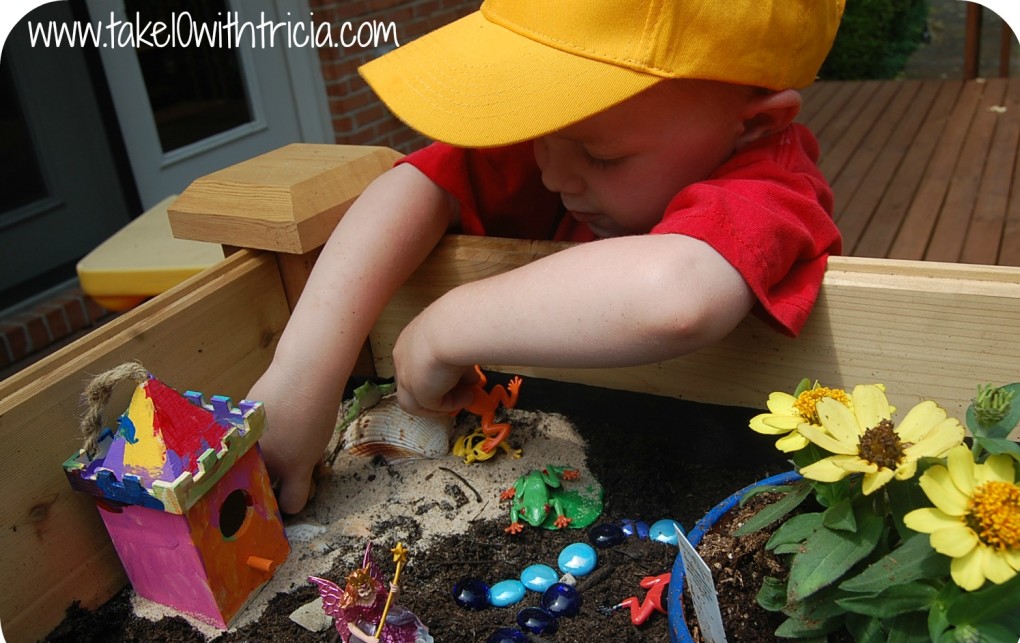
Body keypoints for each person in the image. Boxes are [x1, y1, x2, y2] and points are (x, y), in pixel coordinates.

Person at [251, 0, 847, 514]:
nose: (550, 170)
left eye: (601, 157)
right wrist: (304, 373)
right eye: (540, 125)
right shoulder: (577, 139)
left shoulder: (771, 189)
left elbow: (678, 296)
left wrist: (445, 325)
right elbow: (414, 185)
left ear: (755, 124)